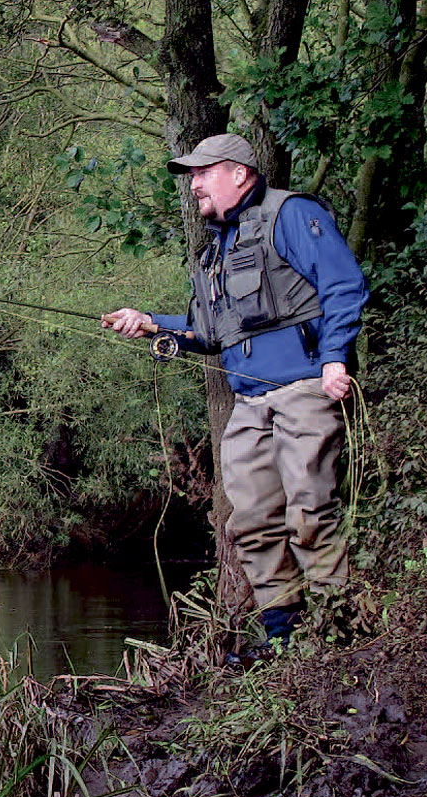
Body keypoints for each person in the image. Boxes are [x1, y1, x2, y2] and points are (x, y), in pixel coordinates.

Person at [101, 132, 369, 661]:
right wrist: (151, 322)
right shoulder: (214, 250)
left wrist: (335, 355)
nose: (194, 184)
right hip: (248, 404)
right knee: (251, 523)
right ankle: (286, 640)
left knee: (311, 511)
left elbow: (344, 285)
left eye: (203, 173)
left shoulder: (290, 215)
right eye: (192, 176)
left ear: (240, 174)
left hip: (304, 391)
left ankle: (342, 638)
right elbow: (208, 331)